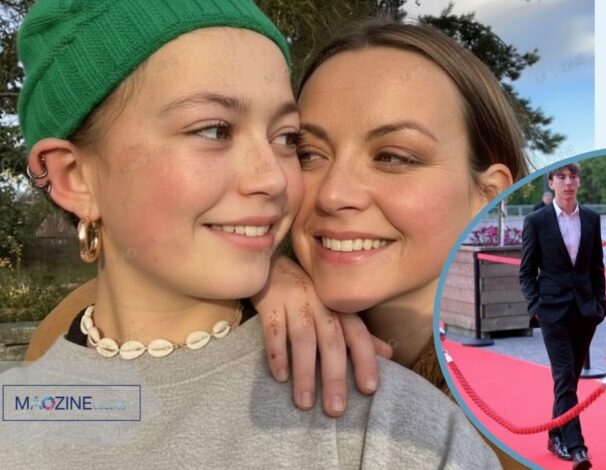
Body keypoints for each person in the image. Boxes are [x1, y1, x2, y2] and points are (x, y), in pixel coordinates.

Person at [4, 2, 500, 467]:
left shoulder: (406, 425)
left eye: (284, 139)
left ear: (489, 193)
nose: (280, 180)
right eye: (215, 130)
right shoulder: (43, 377)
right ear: (72, 178)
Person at [518, 163, 606, 470]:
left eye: (573, 177)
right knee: (564, 377)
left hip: (585, 311)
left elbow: (597, 267)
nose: (568, 182)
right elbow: (527, 272)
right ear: (551, 182)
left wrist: (600, 307)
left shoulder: (592, 220)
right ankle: (577, 446)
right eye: (562, 177)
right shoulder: (536, 221)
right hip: (552, 311)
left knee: (569, 379)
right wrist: (536, 308)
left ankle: (555, 433)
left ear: (578, 181)